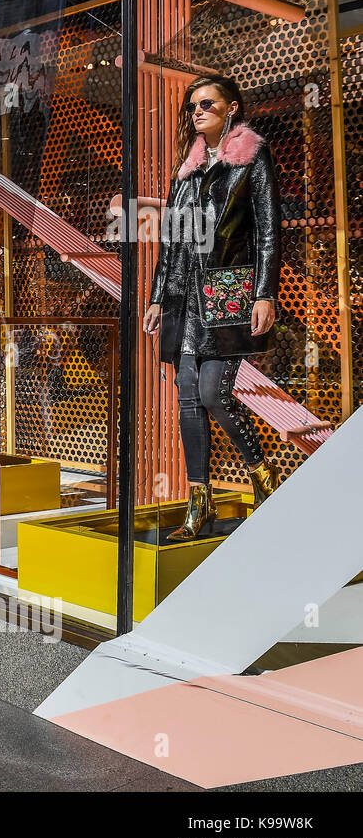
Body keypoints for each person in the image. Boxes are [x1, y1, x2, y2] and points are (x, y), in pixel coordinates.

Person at [145, 75, 281, 541]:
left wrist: (266, 292)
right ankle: (197, 508)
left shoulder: (250, 158)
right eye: (191, 106)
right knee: (186, 398)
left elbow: (268, 231)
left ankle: (266, 482)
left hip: (226, 294)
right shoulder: (188, 171)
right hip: (185, 299)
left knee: (212, 394)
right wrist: (158, 297)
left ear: (231, 108)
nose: (196, 111)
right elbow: (171, 242)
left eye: (206, 104)